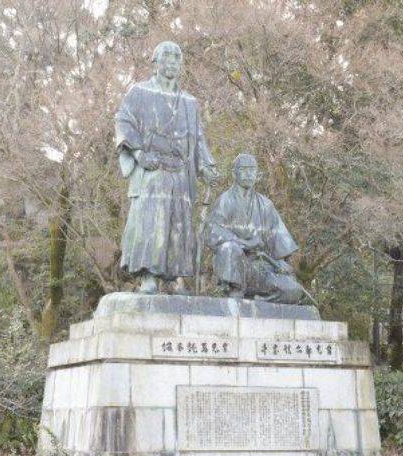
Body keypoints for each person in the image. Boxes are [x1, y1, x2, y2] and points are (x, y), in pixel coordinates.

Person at [115, 41, 218, 294]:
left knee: (178, 222)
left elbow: (198, 136)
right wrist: (138, 153)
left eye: (176, 57)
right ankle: (148, 275)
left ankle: (173, 277)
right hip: (152, 167)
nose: (172, 61)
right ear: (156, 62)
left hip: (181, 171)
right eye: (167, 57)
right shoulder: (139, 92)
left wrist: (206, 165)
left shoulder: (189, 102)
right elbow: (123, 121)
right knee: (151, 220)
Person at [206, 153, 303, 304]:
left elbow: (282, 245)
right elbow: (213, 233)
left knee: (294, 290)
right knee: (229, 248)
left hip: (260, 268)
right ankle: (235, 292)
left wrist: (284, 264)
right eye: (243, 169)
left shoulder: (265, 205)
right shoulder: (225, 200)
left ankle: (260, 301)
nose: (248, 174)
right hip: (237, 264)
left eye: (252, 170)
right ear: (234, 173)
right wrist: (244, 243)